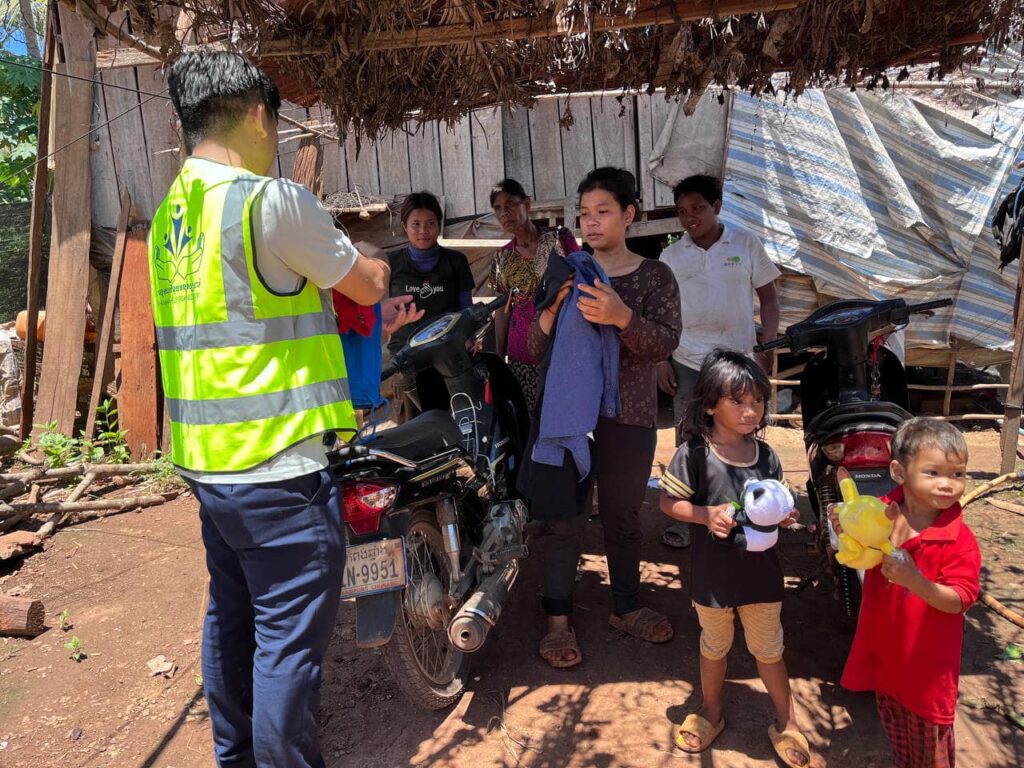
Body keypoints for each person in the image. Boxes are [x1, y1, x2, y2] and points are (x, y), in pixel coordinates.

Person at [149, 51, 391, 768]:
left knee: (231, 621)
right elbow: (366, 286)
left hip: (208, 468)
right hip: (279, 468)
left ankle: (237, 758)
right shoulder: (268, 202)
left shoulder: (170, 218)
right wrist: (374, 261)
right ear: (258, 113)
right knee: (288, 644)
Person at [521, 167, 681, 668]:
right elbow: (532, 347)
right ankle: (558, 621)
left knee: (623, 517)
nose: (591, 223)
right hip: (569, 418)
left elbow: (666, 342)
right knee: (564, 521)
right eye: (584, 213)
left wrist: (621, 317)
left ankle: (626, 607)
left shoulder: (655, 276)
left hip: (628, 416)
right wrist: (553, 310)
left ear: (629, 215)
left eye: (603, 212)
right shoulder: (567, 269)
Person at [659, 350, 823, 767]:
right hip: (714, 578)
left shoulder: (765, 456)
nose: (751, 411)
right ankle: (711, 710)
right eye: (738, 401)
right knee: (715, 644)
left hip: (761, 578)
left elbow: (782, 504)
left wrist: (787, 517)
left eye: (758, 401)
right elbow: (667, 502)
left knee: (769, 648)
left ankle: (786, 721)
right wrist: (703, 514)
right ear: (710, 405)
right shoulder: (695, 454)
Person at [831, 418, 980, 768]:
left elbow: (960, 599)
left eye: (957, 474)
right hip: (889, 662)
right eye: (934, 472)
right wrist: (843, 524)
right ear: (899, 471)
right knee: (901, 748)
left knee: (932, 756)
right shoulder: (883, 511)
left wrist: (916, 582)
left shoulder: (959, 540)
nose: (948, 484)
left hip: (927, 675)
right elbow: (856, 541)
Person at [658, 174, 781, 550]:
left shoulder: (744, 244)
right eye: (682, 211)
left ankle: (748, 509)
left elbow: (770, 298)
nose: (690, 217)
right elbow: (661, 310)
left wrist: (769, 344)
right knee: (690, 437)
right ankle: (689, 518)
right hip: (688, 359)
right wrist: (661, 359)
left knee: (743, 433)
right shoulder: (671, 256)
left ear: (717, 206)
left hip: (738, 362)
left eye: (698, 208)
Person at [489, 178, 581, 411]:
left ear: (527, 204)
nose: (504, 213)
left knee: (563, 416)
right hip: (522, 354)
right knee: (530, 424)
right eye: (498, 208)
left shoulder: (559, 239)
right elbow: (502, 309)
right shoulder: (502, 257)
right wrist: (501, 357)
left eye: (510, 204)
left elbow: (581, 282)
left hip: (561, 348)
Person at [387, 191, 474, 421]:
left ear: (439, 225)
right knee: (412, 429)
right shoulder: (390, 263)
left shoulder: (456, 262)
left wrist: (469, 337)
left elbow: (466, 310)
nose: (423, 231)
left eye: (430, 224)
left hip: (448, 360)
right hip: (406, 361)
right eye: (416, 224)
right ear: (404, 225)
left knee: (451, 423)